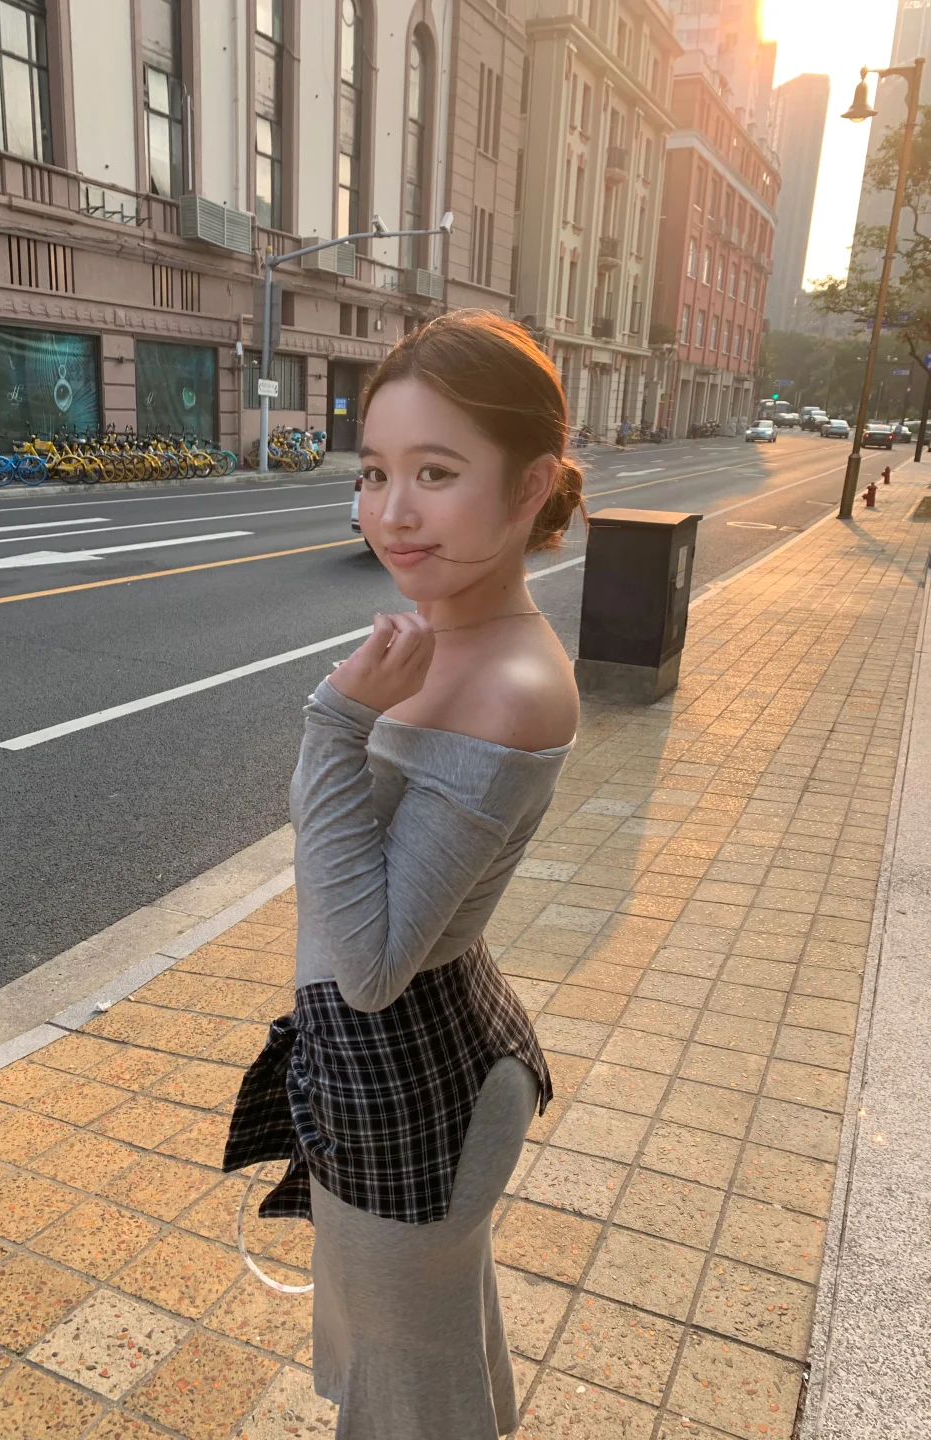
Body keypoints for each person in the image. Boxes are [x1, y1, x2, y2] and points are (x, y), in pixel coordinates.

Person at [225, 310, 583, 1439]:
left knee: (407, 1392)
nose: (391, 511)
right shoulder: (442, 634)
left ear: (530, 487)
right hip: (399, 1063)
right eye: (375, 471)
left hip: (416, 1086)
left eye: (435, 472)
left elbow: (372, 967)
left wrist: (335, 724)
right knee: (425, 1353)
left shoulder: (510, 684)